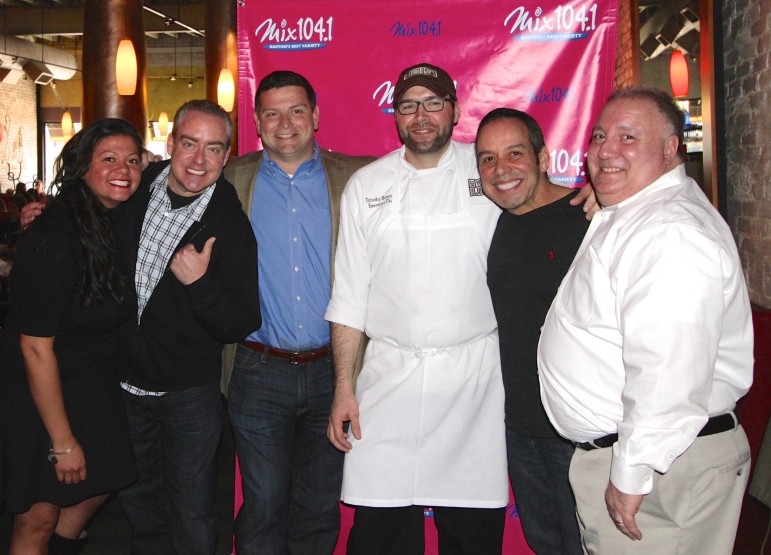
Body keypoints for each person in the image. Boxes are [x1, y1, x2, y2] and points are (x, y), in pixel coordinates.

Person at [326, 62, 594, 554]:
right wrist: (344, 386)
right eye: (409, 105)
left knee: (471, 538)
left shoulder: (487, 169)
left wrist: (594, 194)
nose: (421, 115)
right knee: (379, 537)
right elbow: (349, 297)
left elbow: (541, 199)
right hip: (388, 384)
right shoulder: (367, 185)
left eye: (433, 103)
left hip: (475, 386)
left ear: (453, 110)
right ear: (395, 115)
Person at [538, 86, 753, 554]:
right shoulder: (637, 211)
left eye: (628, 137)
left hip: (662, 468)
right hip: (651, 460)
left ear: (671, 148)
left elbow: (668, 369)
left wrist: (632, 472)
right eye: (598, 136)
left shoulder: (668, 231)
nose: (606, 149)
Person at [222, 70, 374, 554]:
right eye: (272, 112)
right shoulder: (230, 180)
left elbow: (433, 184)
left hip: (337, 372)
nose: (284, 122)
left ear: (316, 116)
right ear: (257, 122)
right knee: (263, 505)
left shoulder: (357, 178)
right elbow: (163, 197)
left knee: (318, 507)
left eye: (296, 110)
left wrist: (557, 198)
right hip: (257, 370)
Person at [111, 99, 261, 554]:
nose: (199, 160)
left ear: (227, 156)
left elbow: (242, 320)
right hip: (122, 389)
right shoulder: (134, 190)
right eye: (190, 143)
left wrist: (200, 285)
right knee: (139, 510)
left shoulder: (230, 225)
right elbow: (86, 221)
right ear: (170, 143)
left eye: (213, 149)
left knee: (193, 514)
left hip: (187, 399)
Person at [0, 119, 143, 554]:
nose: (124, 169)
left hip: (90, 383)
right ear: (82, 167)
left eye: (133, 160)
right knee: (38, 516)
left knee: (103, 480)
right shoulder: (57, 235)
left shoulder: (108, 218)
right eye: (109, 159)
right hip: (38, 386)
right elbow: (34, 346)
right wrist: (62, 441)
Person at [478, 108, 586, 554]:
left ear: (543, 158)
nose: (501, 170)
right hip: (519, 429)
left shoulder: (591, 218)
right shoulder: (493, 220)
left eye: (514, 153)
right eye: (487, 159)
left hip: (581, 437)